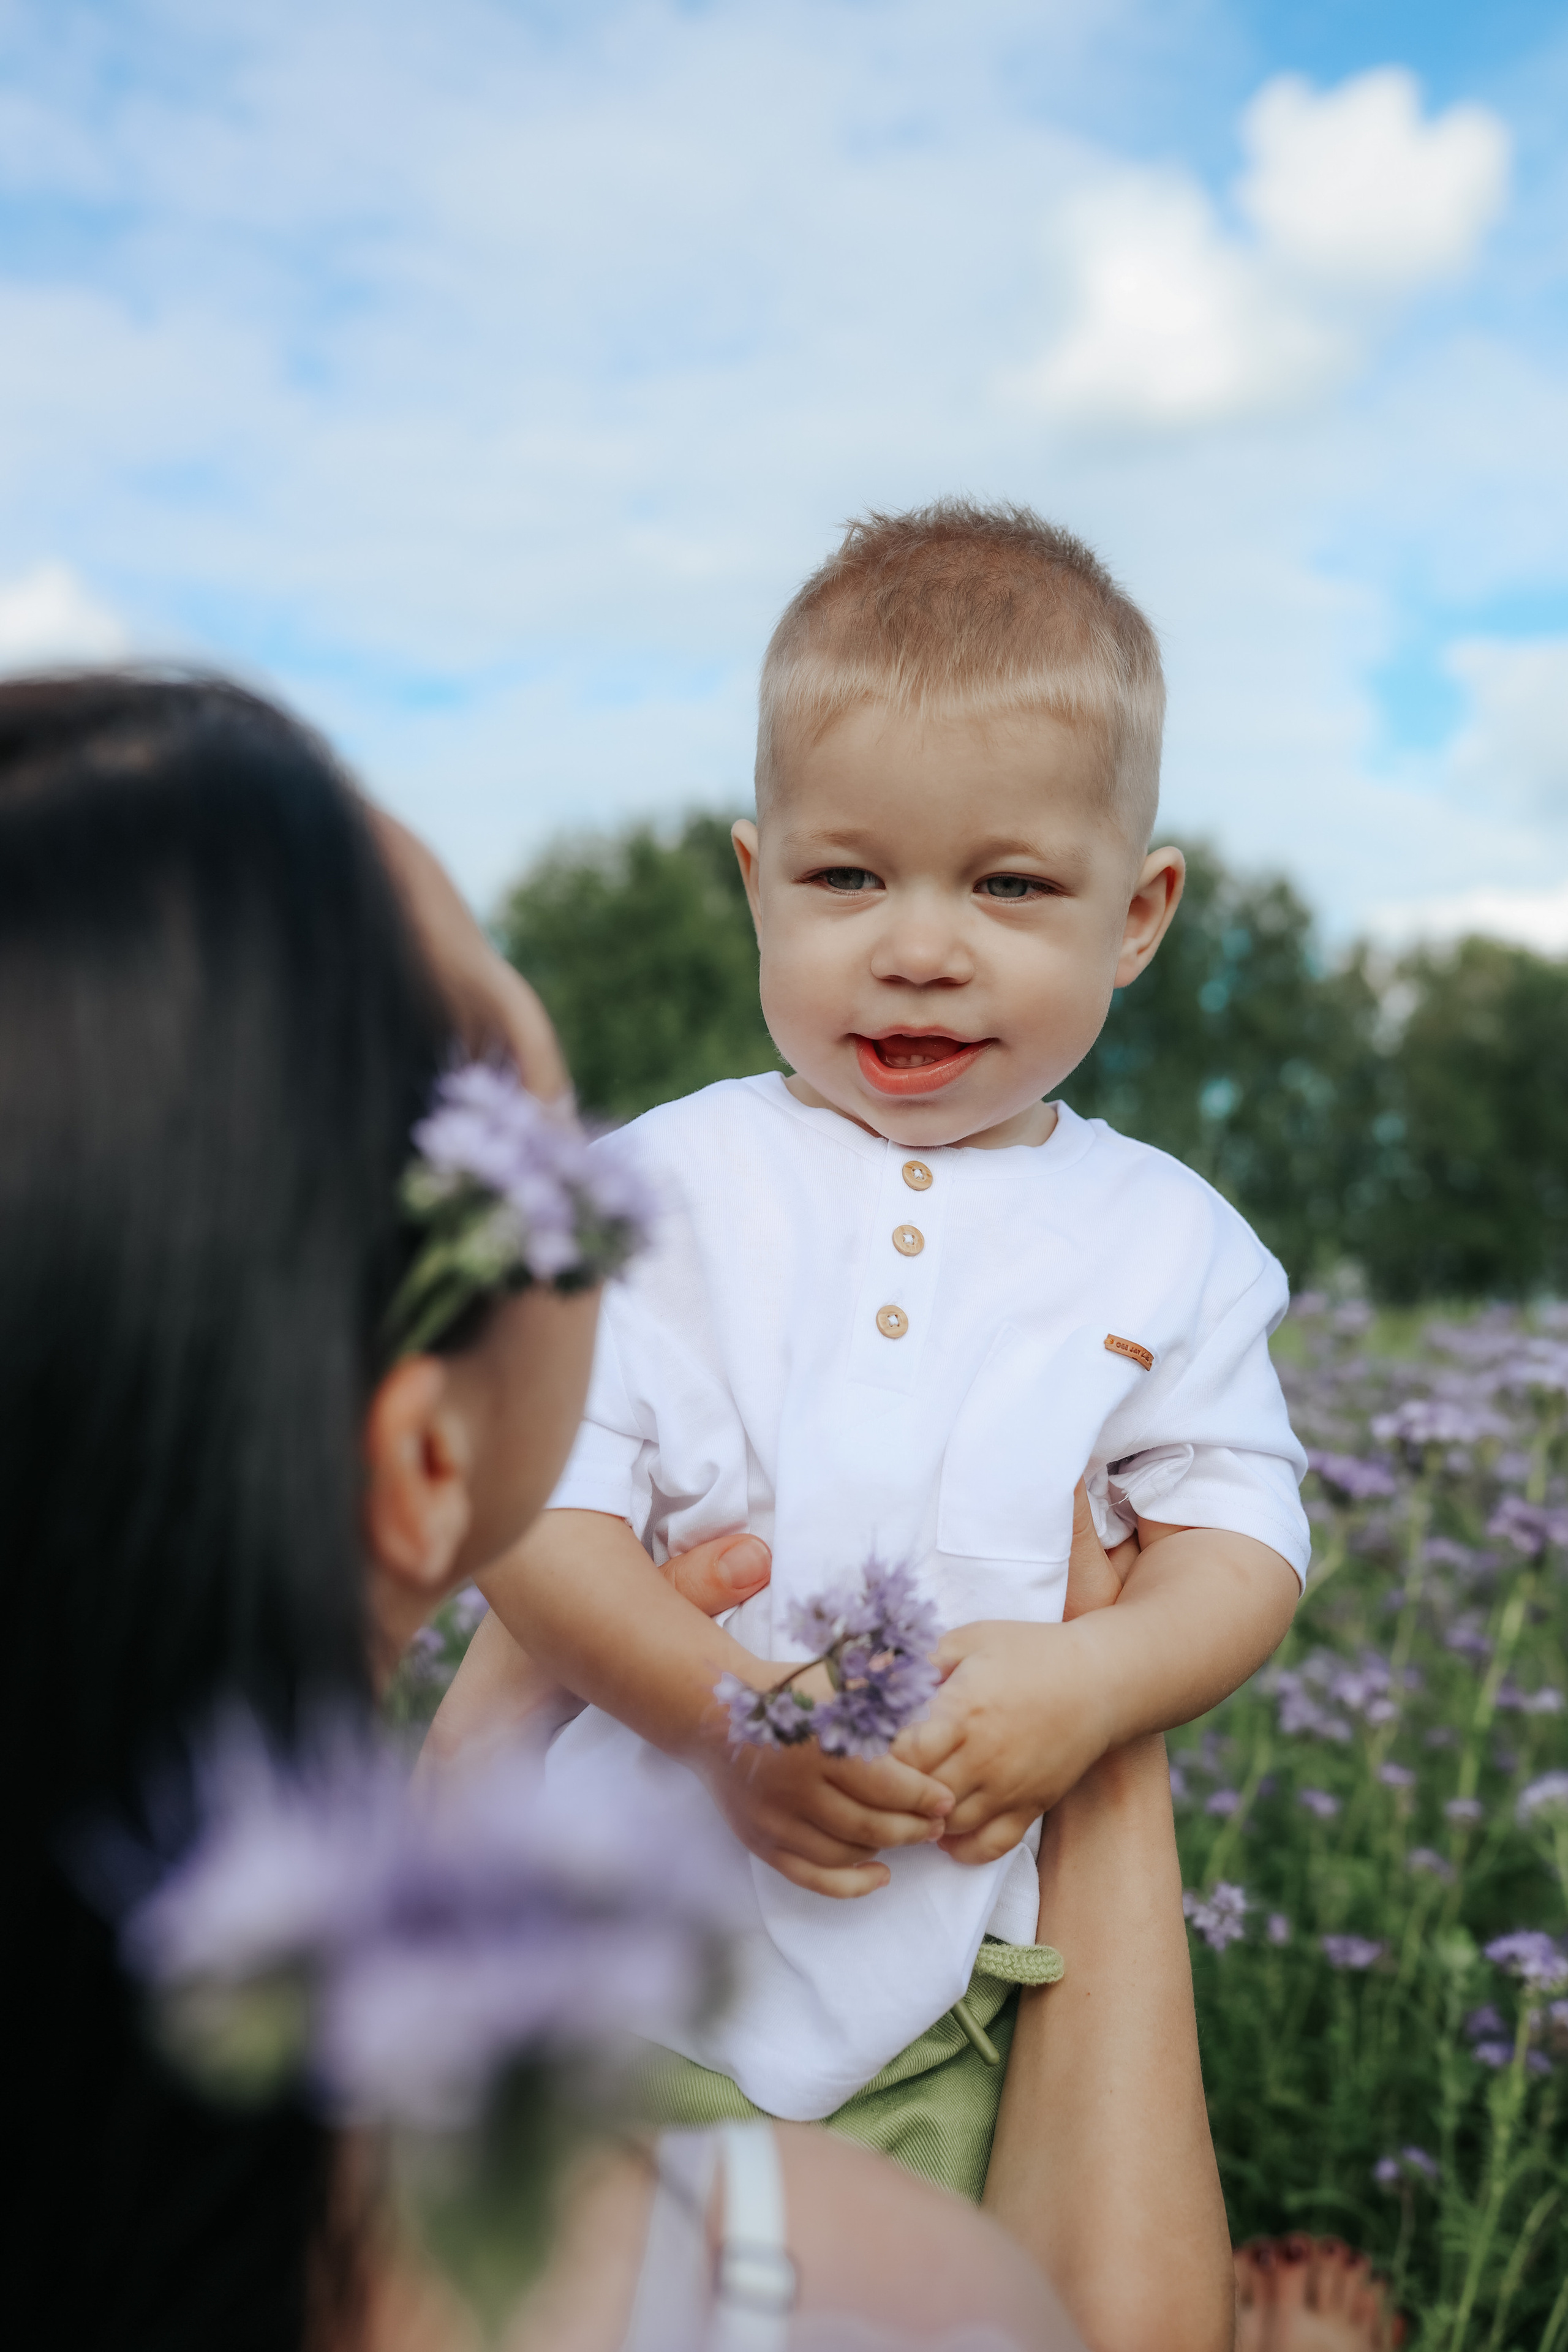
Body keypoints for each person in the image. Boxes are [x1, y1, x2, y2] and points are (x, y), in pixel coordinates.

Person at [1, 672, 1231, 2351]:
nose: (921, 949)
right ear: (429, 1468)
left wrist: (516, 1701)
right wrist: (1106, 1700)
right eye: (541, 1141)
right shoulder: (794, 2276)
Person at [431, 500, 1310, 2196]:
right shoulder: (660, 1188)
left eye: (1009, 884)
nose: (919, 945)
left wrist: (1095, 1680)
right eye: (848, 877)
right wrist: (721, 1721)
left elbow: (1242, 1543)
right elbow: (542, 1516)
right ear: (758, 885)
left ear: (1136, 917)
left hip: (951, 2022)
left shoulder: (1171, 1238)